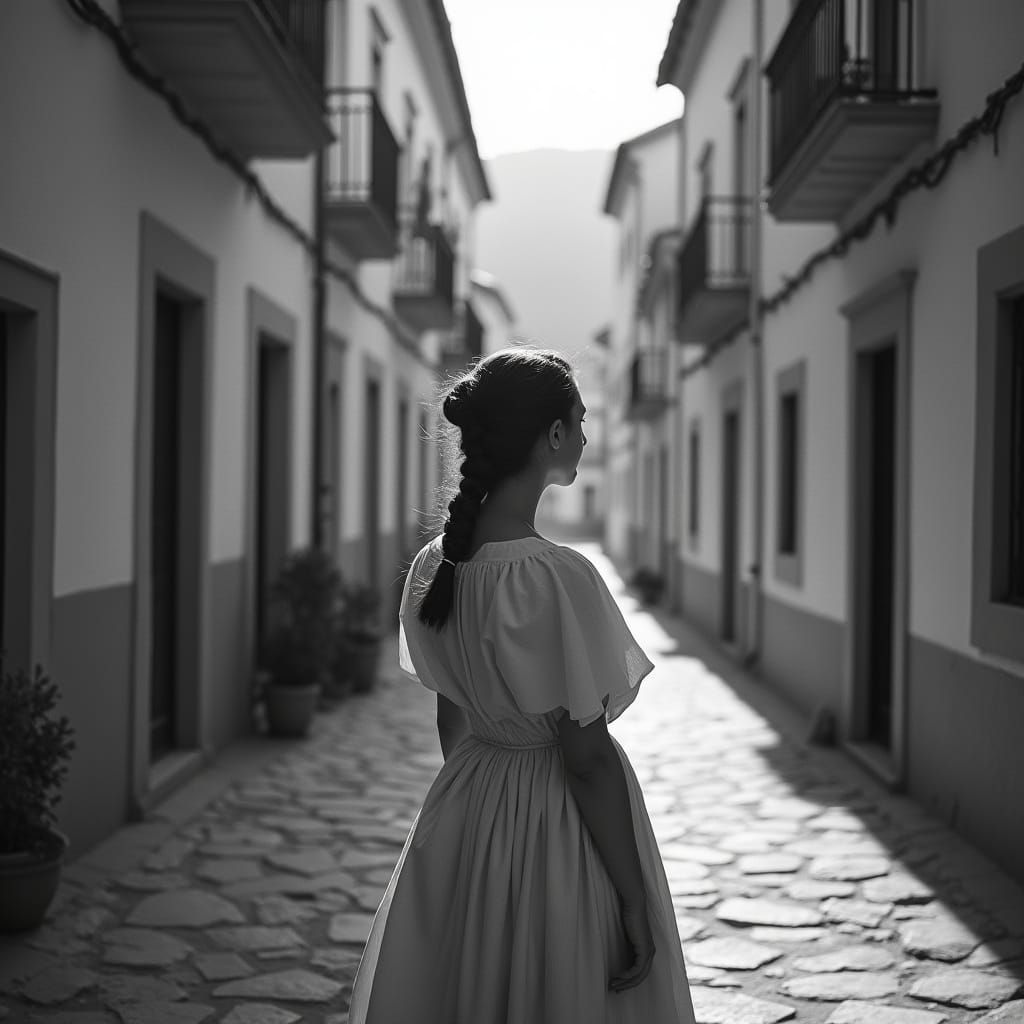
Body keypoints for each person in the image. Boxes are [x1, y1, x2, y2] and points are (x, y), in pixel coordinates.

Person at [347, 346, 695, 1023]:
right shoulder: (561, 579)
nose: (589, 436)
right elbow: (587, 760)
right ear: (552, 436)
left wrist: (485, 810)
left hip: (470, 806)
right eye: (581, 420)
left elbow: (452, 716)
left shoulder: (435, 567)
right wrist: (631, 896)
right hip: (556, 825)